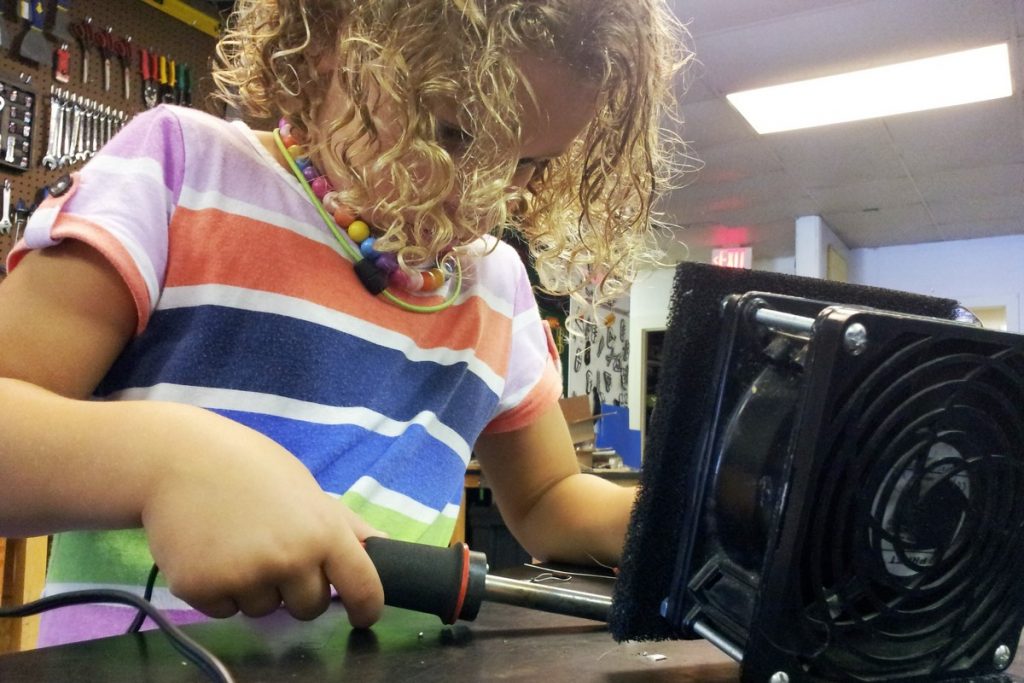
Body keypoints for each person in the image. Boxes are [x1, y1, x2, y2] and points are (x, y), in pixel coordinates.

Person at [0, 0, 689, 646]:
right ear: (333, 36)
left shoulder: (498, 286)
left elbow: (548, 498)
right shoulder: (180, 171)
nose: (484, 203)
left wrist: (692, 522)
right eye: (453, 134)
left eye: (529, 165)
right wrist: (167, 463)